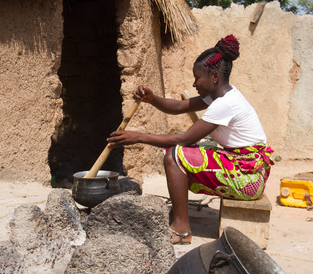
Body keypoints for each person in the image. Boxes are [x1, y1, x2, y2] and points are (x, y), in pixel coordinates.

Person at [107, 35, 274, 245]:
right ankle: (180, 218)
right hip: (244, 166)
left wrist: (138, 136)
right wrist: (152, 99)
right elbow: (178, 107)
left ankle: (181, 229)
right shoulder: (219, 95)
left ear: (214, 77)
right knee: (185, 152)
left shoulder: (226, 103)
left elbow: (184, 139)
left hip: (248, 179)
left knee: (176, 156)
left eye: (197, 78)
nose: (194, 84)